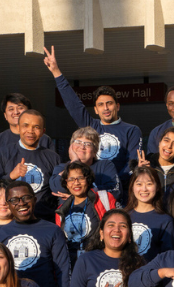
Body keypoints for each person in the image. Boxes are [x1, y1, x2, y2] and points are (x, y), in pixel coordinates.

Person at [44, 46, 143, 184]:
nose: (106, 108)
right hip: (89, 188)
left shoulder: (131, 130)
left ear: (117, 106)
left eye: (109, 103)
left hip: (119, 192)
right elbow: (73, 105)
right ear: (96, 110)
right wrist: (56, 71)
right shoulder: (91, 127)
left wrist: (111, 184)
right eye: (101, 105)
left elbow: (132, 164)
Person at [0, 109, 63, 220]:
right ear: (18, 128)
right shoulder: (3, 153)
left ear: (43, 131)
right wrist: (11, 177)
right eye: (26, 126)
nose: (30, 131)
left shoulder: (53, 157)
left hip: (44, 219)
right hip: (11, 220)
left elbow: (58, 192)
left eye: (36, 127)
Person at [53, 161, 120, 268]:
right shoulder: (61, 211)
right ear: (66, 183)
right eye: (71, 179)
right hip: (73, 266)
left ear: (88, 180)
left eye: (80, 178)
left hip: (99, 262)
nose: (76, 183)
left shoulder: (104, 199)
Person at [48, 126, 121, 203]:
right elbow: (57, 188)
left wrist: (79, 198)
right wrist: (75, 162)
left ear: (95, 151)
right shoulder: (61, 168)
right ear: (70, 147)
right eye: (78, 142)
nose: (82, 147)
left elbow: (115, 191)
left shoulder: (105, 166)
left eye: (88, 144)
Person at [0, 93, 52, 169]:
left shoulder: (44, 139)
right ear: (5, 115)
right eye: (11, 109)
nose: (16, 112)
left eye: (20, 108)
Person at [125, 166, 174, 262]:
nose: (144, 189)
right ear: (132, 187)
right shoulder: (123, 216)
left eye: (149, 184)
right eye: (139, 184)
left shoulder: (165, 220)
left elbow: (167, 257)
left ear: (157, 187)